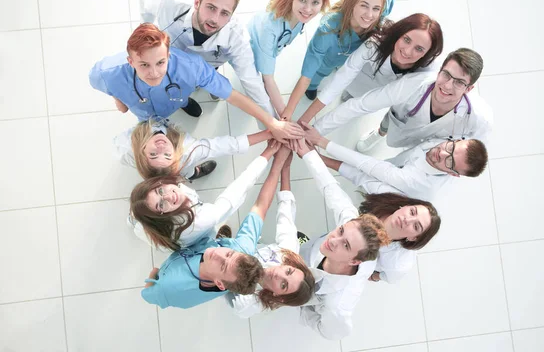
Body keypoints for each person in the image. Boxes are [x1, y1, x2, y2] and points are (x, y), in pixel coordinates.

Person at [89, 23, 303, 143]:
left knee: (178, 97)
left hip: (175, 98)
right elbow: (102, 85)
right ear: (130, 61)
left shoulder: (191, 66)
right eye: (144, 65)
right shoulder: (107, 73)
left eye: (161, 62)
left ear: (169, 55)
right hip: (144, 113)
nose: (154, 73)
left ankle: (182, 103)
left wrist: (272, 123)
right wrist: (119, 96)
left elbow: (232, 95)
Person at [140, 140, 282, 309]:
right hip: (198, 243)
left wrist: (156, 272)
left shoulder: (170, 288)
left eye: (223, 266)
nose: (218, 254)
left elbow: (148, 293)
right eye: (228, 254)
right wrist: (279, 163)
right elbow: (260, 207)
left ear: (219, 285)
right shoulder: (242, 250)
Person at [293, 139, 391, 340]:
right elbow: (331, 189)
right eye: (340, 231)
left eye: (345, 245)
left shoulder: (337, 303)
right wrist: (307, 153)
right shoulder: (351, 226)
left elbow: (332, 332)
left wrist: (304, 309)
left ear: (354, 261)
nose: (333, 239)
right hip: (306, 257)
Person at [139, 0, 275, 116]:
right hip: (171, 60)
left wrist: (273, 125)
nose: (214, 20)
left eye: (225, 13)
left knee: (209, 80)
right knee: (174, 84)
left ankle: (209, 87)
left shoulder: (237, 37)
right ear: (197, 2)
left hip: (209, 66)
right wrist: (146, 29)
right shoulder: (169, 3)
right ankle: (183, 101)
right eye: (211, 7)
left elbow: (252, 82)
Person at [312, 48, 493, 152]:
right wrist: (315, 130)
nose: (447, 86)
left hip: (430, 144)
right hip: (398, 118)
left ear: (469, 89)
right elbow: (361, 105)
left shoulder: (479, 118)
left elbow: (473, 151)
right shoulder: (412, 85)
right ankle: (380, 133)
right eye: (446, 75)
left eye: (459, 82)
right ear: (439, 71)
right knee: (390, 121)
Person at [128, 141, 277, 250]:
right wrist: (266, 155)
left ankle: (134, 217)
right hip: (195, 236)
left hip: (153, 226)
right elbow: (237, 190)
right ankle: (135, 220)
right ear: (161, 216)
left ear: (159, 183)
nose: (168, 196)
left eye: (160, 191)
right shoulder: (196, 223)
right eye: (161, 204)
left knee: (140, 213)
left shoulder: (165, 189)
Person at [298, 13, 443, 124]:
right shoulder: (374, 44)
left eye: (419, 49)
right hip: (359, 77)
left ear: (427, 54)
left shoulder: (424, 73)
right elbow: (340, 80)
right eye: (406, 40)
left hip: (377, 92)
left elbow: (368, 104)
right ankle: (350, 93)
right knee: (349, 88)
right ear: (399, 35)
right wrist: (304, 121)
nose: (408, 52)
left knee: (359, 100)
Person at [282, 0, 393, 119]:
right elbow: (306, 75)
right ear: (352, 2)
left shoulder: (379, 16)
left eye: (376, 8)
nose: (370, 15)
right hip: (328, 59)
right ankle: (312, 87)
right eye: (364, 6)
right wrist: (288, 113)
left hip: (347, 59)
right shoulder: (327, 30)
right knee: (320, 72)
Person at [226, 147, 316, 317]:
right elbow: (286, 210)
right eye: (288, 271)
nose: (279, 274)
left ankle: (225, 244)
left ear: (279, 297)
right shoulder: (287, 252)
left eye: (283, 285)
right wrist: (285, 167)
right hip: (252, 248)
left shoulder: (248, 302)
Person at [302, 121, 488, 201]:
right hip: (399, 163)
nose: (442, 154)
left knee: (368, 181)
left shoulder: (420, 185)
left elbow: (368, 167)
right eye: (451, 147)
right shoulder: (449, 142)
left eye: (450, 162)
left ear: (452, 174)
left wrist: (320, 147)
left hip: (391, 189)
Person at [247, 0, 330, 117]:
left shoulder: (297, 16)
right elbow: (268, 79)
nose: (308, 9)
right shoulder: (269, 28)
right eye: (302, 0)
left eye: (315, 2)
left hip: (269, 48)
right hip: (250, 50)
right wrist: (286, 117)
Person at [114, 118, 272, 180]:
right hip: (185, 164)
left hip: (157, 119)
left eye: (153, 154)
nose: (161, 146)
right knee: (187, 172)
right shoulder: (190, 150)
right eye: (167, 155)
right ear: (176, 154)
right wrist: (268, 133)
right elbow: (228, 145)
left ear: (141, 151)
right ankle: (194, 174)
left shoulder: (128, 146)